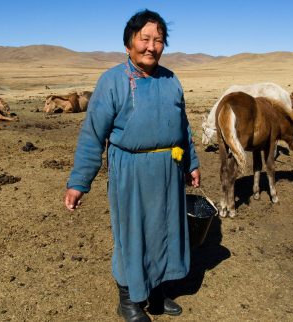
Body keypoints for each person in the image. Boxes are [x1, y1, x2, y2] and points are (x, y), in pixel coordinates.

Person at [64, 9, 201, 322]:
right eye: (145, 39)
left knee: (166, 231)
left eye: (159, 40)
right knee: (133, 234)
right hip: (132, 171)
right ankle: (128, 300)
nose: (152, 46)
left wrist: (190, 162)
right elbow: (92, 135)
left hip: (169, 168)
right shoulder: (113, 81)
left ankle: (156, 293)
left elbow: (183, 127)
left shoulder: (170, 79)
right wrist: (78, 182)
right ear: (129, 44)